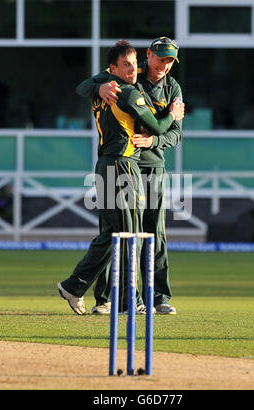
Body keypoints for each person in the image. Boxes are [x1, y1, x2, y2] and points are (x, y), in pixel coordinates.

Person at [57, 40, 184, 314]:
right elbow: (84, 86)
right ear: (148, 55)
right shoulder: (123, 87)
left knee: (143, 234)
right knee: (124, 233)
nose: (163, 65)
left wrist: (153, 142)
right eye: (159, 58)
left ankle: (154, 297)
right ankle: (112, 298)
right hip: (124, 166)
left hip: (139, 166)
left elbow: (175, 133)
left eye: (169, 61)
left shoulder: (171, 87)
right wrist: (98, 87)